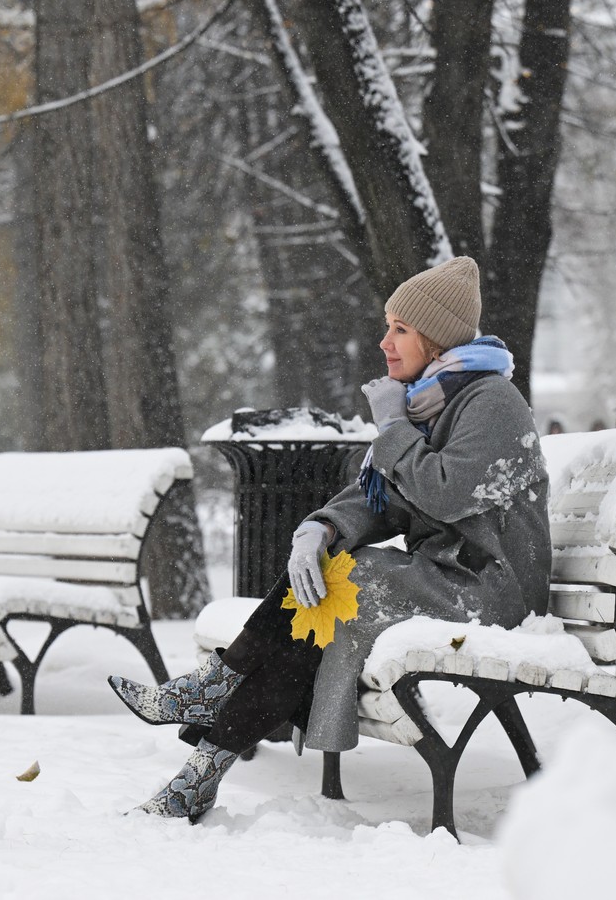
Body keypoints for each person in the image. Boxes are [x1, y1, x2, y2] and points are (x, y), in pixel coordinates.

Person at [109, 256, 551, 822]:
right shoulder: (430, 400)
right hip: (446, 576)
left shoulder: (490, 403)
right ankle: (202, 768)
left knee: (345, 584)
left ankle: (214, 702)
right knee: (325, 589)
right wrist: (320, 529)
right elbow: (386, 497)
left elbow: (442, 494)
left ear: (437, 340)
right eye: (387, 325)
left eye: (401, 329)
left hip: (491, 587)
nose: (384, 341)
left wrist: (392, 430)